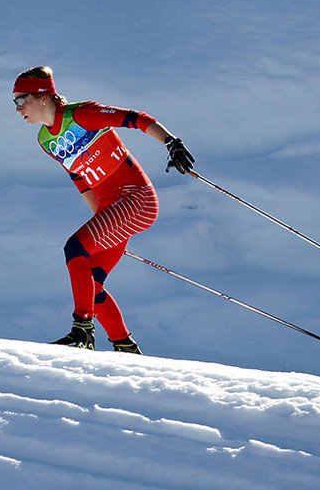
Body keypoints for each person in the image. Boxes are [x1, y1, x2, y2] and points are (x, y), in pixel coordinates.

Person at [13, 66, 194, 353]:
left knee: (74, 249)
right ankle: (125, 347)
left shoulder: (81, 114)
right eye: (15, 102)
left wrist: (171, 142)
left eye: (21, 99)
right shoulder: (45, 140)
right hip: (112, 210)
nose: (18, 108)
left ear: (43, 96)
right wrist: (103, 223)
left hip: (137, 201)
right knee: (91, 283)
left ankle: (82, 331)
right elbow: (80, 179)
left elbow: (134, 119)